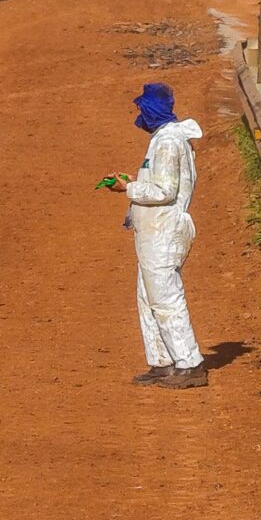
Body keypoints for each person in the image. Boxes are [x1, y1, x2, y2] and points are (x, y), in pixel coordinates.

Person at [107, 82, 205, 388]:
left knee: (165, 298)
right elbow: (162, 182)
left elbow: (164, 191)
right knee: (149, 298)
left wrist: (128, 188)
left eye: (142, 109)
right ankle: (163, 361)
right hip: (155, 232)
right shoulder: (167, 138)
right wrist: (137, 181)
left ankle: (190, 364)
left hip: (164, 231)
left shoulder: (167, 142)